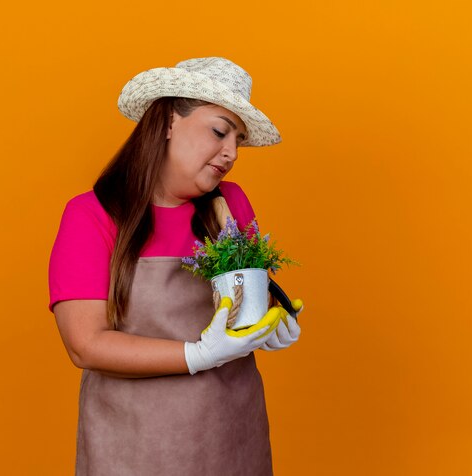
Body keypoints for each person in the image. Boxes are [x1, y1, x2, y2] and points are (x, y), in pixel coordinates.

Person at [48, 57, 303, 476]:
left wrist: (268, 322)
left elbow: (241, 308)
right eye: (220, 131)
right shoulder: (91, 215)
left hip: (232, 436)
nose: (231, 153)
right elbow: (85, 343)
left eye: (238, 139)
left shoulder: (230, 206)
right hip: (134, 445)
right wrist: (197, 354)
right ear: (167, 120)